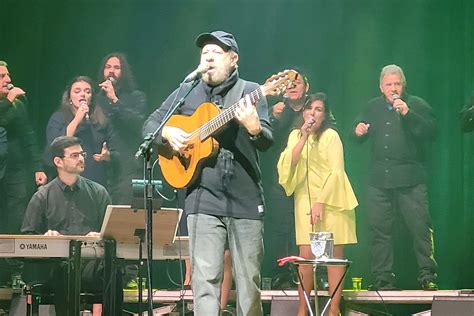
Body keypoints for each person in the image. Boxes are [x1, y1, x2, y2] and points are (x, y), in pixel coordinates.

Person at [143, 30, 273, 315]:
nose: (209, 57)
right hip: (202, 198)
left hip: (245, 197)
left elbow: (266, 140)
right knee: (204, 280)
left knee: (249, 282)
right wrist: (166, 131)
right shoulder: (187, 91)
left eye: (216, 52)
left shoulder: (250, 92)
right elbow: (150, 125)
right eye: (205, 54)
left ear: (233, 59)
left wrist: (253, 128)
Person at [353, 64, 438, 290]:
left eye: (397, 84)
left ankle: (427, 276)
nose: (393, 89)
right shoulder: (372, 107)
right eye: (389, 85)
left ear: (403, 85)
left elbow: (431, 132)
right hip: (380, 179)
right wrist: (358, 131)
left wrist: (408, 113)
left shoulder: (416, 105)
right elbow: (356, 134)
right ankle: (383, 278)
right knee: (379, 229)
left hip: (410, 177)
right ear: (381, 87)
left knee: (420, 227)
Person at [21, 136, 122, 316]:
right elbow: (27, 238)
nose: (81, 159)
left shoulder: (98, 192)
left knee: (112, 270)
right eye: (74, 155)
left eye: (81, 154)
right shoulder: (42, 196)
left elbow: (112, 232)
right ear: (58, 161)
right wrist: (45, 239)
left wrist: (99, 235)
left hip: (90, 265)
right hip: (56, 267)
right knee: (65, 270)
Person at [278, 93, 358, 316]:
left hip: (331, 202)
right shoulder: (296, 135)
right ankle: (303, 309)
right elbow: (287, 164)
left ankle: (334, 309)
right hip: (305, 200)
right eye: (309, 108)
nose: (313, 113)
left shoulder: (331, 136)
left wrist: (321, 202)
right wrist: (303, 137)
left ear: (325, 115)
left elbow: (337, 171)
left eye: (319, 109)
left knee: (333, 258)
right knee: (305, 257)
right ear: (303, 112)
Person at [262, 70, 309, 288]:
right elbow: (265, 143)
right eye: (288, 83)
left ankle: (307, 274)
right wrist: (273, 117)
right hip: (280, 179)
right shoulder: (278, 111)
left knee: (304, 228)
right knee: (281, 227)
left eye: (297, 82)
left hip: (308, 180)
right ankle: (281, 275)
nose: (292, 86)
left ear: (306, 88)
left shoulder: (314, 109)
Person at [44, 76, 117, 189]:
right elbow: (56, 145)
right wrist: (77, 119)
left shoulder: (101, 119)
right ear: (69, 97)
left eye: (87, 92)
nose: (83, 94)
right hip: (68, 179)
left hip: (95, 179)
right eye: (77, 91)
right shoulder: (59, 117)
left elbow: (114, 149)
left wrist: (107, 156)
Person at [0, 61, 47, 234]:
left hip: (15, 168)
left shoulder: (17, 105)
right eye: (1, 76)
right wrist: (9, 99)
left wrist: (38, 167)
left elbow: (28, 136)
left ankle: (9, 255)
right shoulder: (11, 101)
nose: (8, 79)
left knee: (16, 208)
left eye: (8, 75)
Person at [96, 52, 147, 204]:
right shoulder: (97, 99)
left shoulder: (136, 97)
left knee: (121, 217)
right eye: (108, 67)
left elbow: (138, 125)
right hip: (101, 169)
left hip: (126, 169)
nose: (111, 71)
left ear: (123, 72)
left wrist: (114, 100)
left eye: (116, 67)